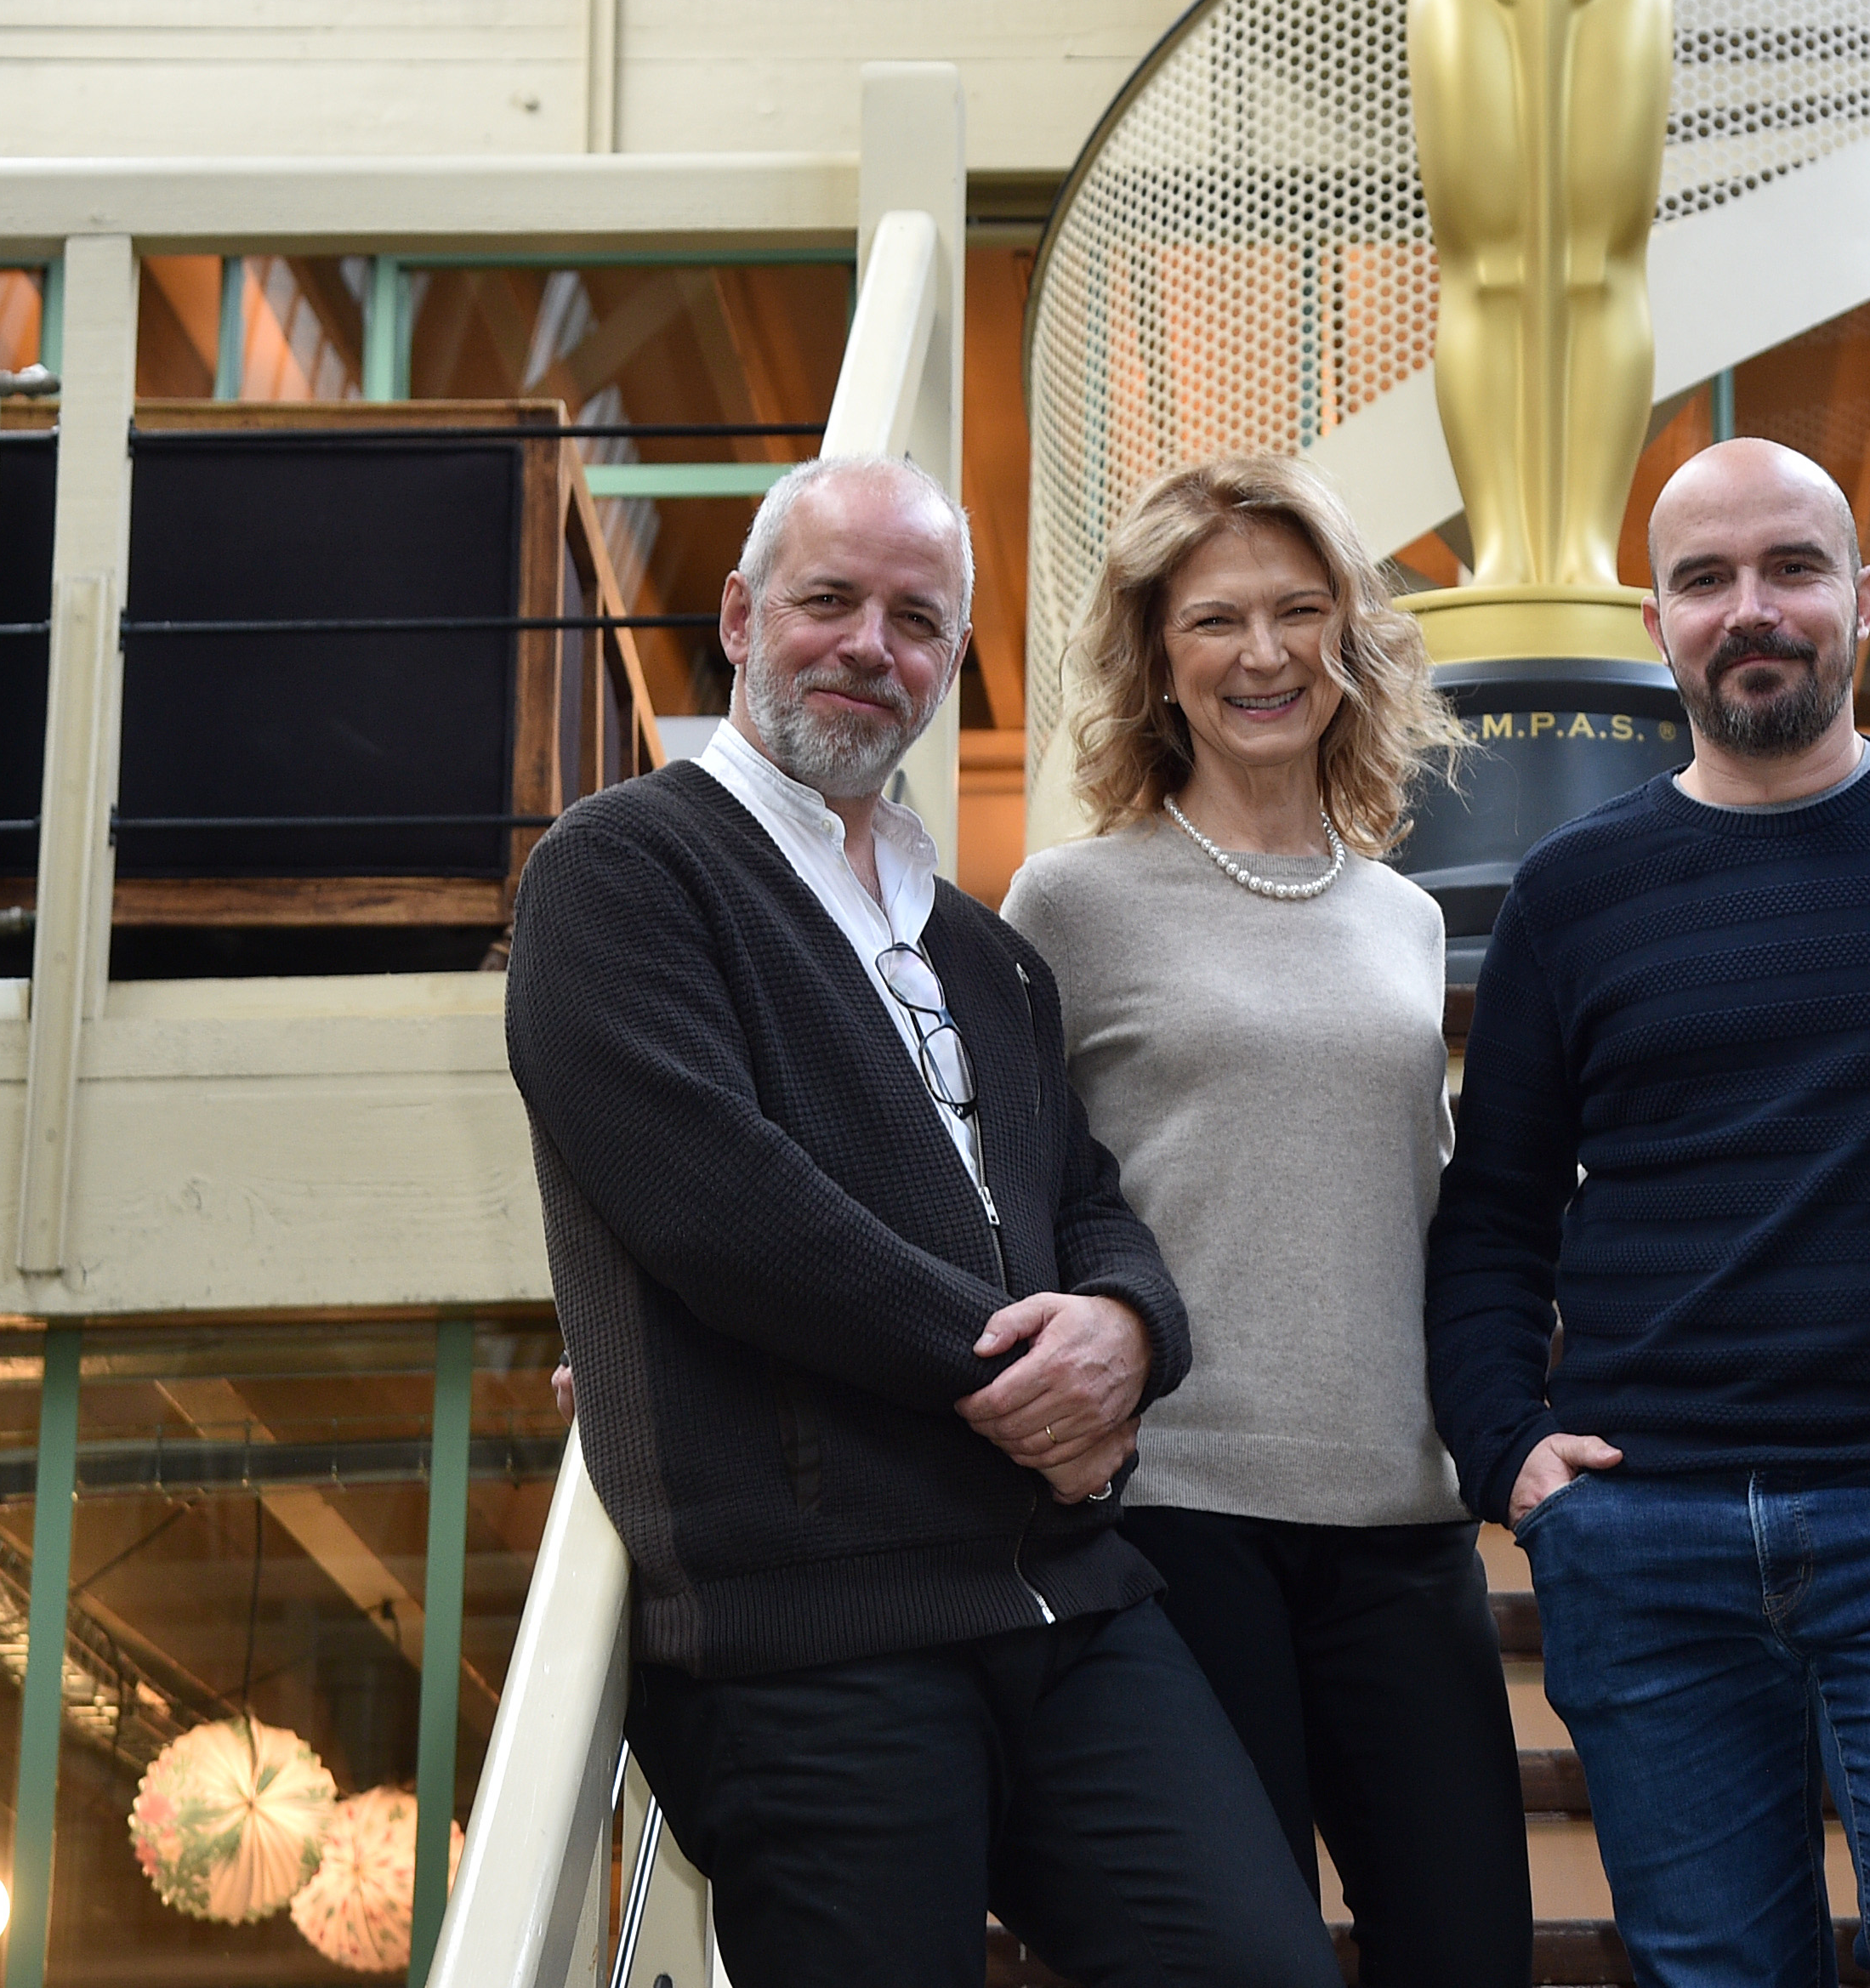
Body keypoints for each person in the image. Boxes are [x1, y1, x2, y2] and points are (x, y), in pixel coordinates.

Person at [504, 452, 1339, 1988]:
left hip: (1071, 1602)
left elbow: (1086, 1199)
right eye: (829, 601)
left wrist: (1130, 1333)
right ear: (741, 618)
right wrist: (1027, 1387)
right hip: (810, 1634)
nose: (869, 648)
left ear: (952, 662)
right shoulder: (620, 871)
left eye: (916, 621)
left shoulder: (985, 950)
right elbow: (724, 1207)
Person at [1423, 437, 1870, 1988]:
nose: (1752, 608)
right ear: (1658, 626)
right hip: (1644, 1524)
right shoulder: (1572, 893)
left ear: (1863, 599)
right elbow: (1493, 1215)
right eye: (1706, 580)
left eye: (1792, 569)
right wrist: (1509, 1453)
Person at [1002, 457, 1529, 1988]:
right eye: (1215, 620)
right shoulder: (1069, 902)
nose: (1263, 654)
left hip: (1404, 1520)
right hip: (1175, 1518)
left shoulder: (1405, 918)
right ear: (1157, 658)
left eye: (1300, 611)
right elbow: (1000, 1192)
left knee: (1473, 1955)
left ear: (1349, 637)